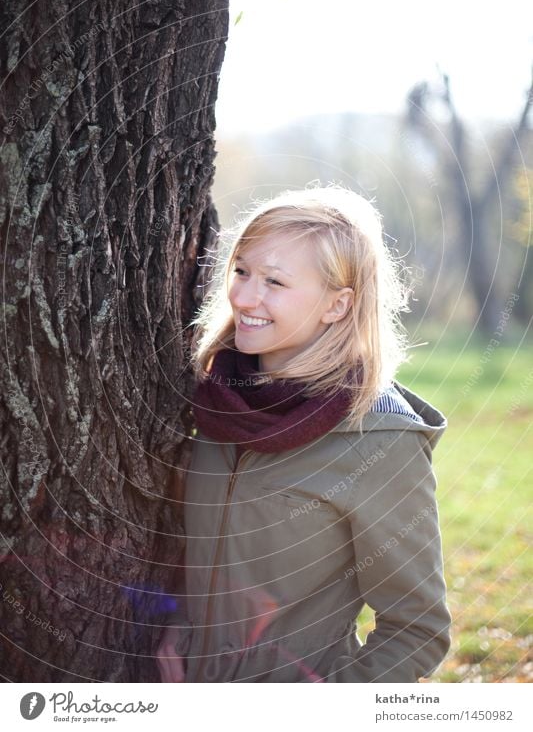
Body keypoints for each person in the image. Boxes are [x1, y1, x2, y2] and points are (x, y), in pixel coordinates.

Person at [156, 184, 451, 683]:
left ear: (337, 305)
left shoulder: (380, 441)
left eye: (274, 282)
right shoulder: (208, 402)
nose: (244, 296)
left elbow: (417, 630)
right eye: (243, 270)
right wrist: (176, 628)